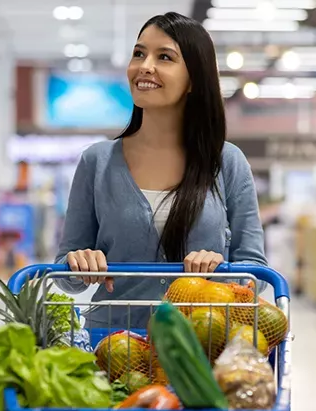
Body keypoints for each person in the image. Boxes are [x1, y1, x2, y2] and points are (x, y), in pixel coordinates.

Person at [54, 12, 268, 329]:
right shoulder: (97, 162)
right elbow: (65, 275)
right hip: (113, 346)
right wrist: (79, 263)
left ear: (194, 78)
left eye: (164, 56)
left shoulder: (226, 162)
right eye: (139, 53)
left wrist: (221, 272)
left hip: (202, 345)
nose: (144, 66)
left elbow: (256, 272)